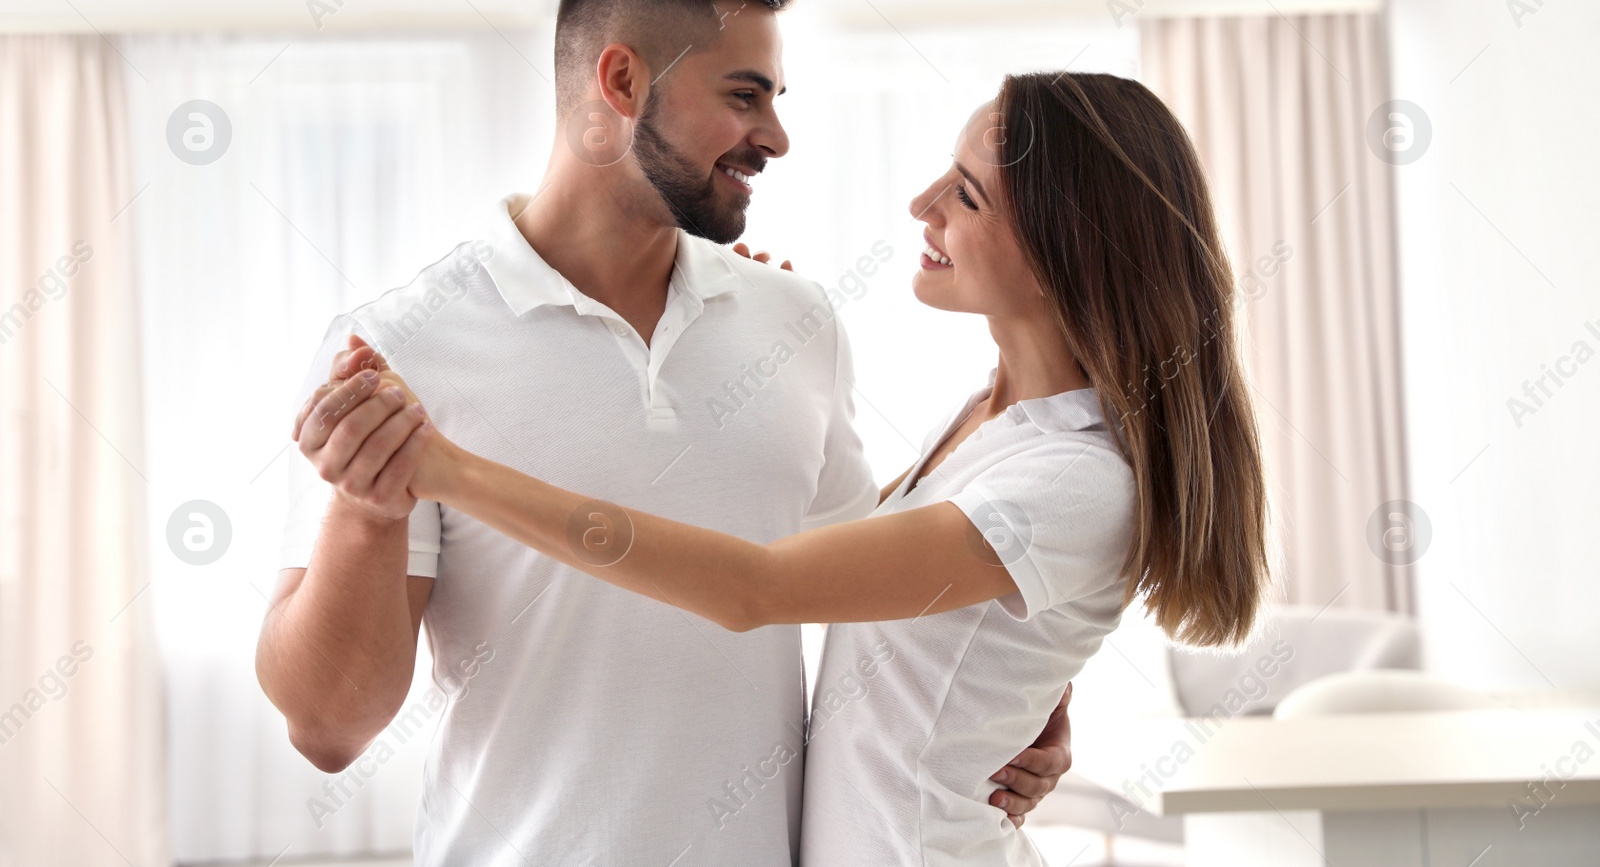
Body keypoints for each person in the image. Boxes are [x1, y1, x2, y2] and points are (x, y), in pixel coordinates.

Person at [257, 0, 1069, 867]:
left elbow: (881, 579)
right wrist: (367, 509)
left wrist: (1032, 696)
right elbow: (327, 727)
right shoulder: (399, 349)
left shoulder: (795, 323)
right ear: (622, 79)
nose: (775, 135)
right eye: (744, 94)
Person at [299, 70, 1272, 866]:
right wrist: (1028, 699)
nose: (922, 203)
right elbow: (890, 576)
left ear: (1070, 251)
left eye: (965, 194)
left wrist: (450, 470)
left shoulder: (1074, 473)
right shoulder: (988, 412)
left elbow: (757, 585)